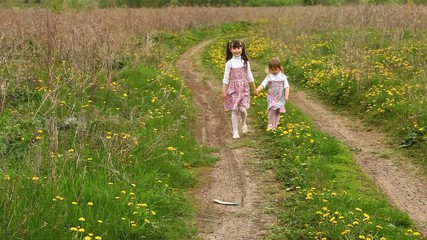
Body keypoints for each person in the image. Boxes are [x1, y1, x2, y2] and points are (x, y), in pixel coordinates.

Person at [222, 39, 257, 139]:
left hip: (244, 89)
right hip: (233, 90)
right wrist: (223, 91)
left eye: (239, 48)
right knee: (235, 110)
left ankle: (243, 122)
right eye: (234, 48)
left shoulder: (245, 62)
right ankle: (235, 131)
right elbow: (226, 78)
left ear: (242, 48)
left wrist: (254, 89)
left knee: (242, 109)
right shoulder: (229, 63)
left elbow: (250, 76)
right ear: (230, 49)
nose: (237, 50)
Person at [255, 57, 290, 131]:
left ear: (280, 68)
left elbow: (286, 87)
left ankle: (274, 127)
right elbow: (263, 84)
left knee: (277, 111)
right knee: (272, 109)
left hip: (280, 97)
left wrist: (286, 95)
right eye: (272, 70)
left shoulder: (282, 77)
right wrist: (257, 90)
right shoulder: (269, 77)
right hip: (271, 96)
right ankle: (270, 123)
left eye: (275, 69)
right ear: (269, 69)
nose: (274, 71)